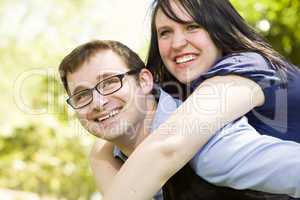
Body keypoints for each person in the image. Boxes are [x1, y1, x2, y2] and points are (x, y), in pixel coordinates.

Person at [101, 0, 300, 199]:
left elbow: (169, 145)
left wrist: (101, 153)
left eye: (192, 27)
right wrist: (100, 154)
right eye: (165, 32)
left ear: (220, 27)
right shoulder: (185, 93)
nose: (177, 44)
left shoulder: (243, 68)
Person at [59, 40, 300, 200]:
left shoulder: (207, 143)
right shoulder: (113, 162)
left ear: (144, 81)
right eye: (82, 95)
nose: (98, 102)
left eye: (110, 82)